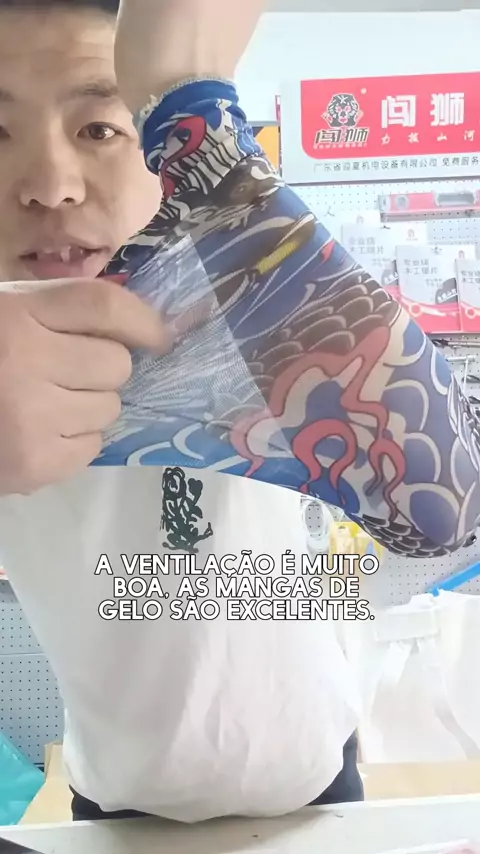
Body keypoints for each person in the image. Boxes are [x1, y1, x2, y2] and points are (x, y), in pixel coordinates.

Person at [0, 0, 478, 824]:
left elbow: (445, 501)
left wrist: (193, 108)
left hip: (312, 780)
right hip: (113, 795)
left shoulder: (253, 311)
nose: (51, 185)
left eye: (100, 128)